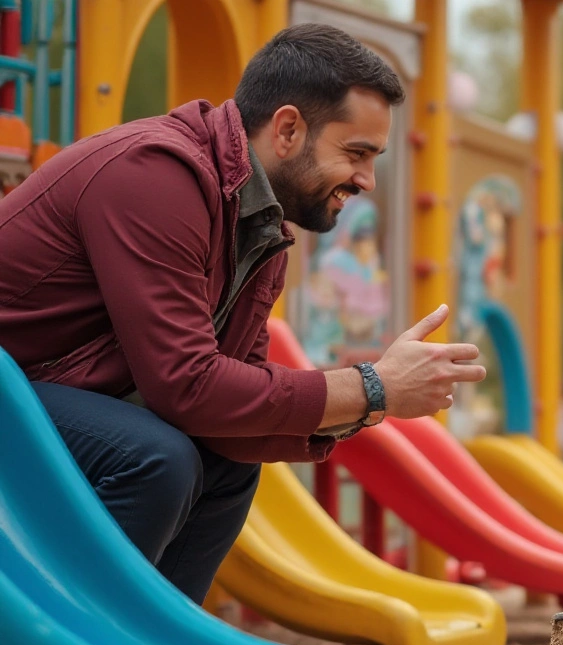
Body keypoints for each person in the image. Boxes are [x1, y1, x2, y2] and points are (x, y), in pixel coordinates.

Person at [0, 24, 486, 604]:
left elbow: (239, 405)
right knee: (157, 458)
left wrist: (368, 400)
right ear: (287, 129)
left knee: (229, 461)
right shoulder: (155, 176)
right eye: (356, 153)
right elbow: (185, 385)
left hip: (36, 397)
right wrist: (373, 389)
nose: (366, 180)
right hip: (14, 387)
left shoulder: (260, 228)